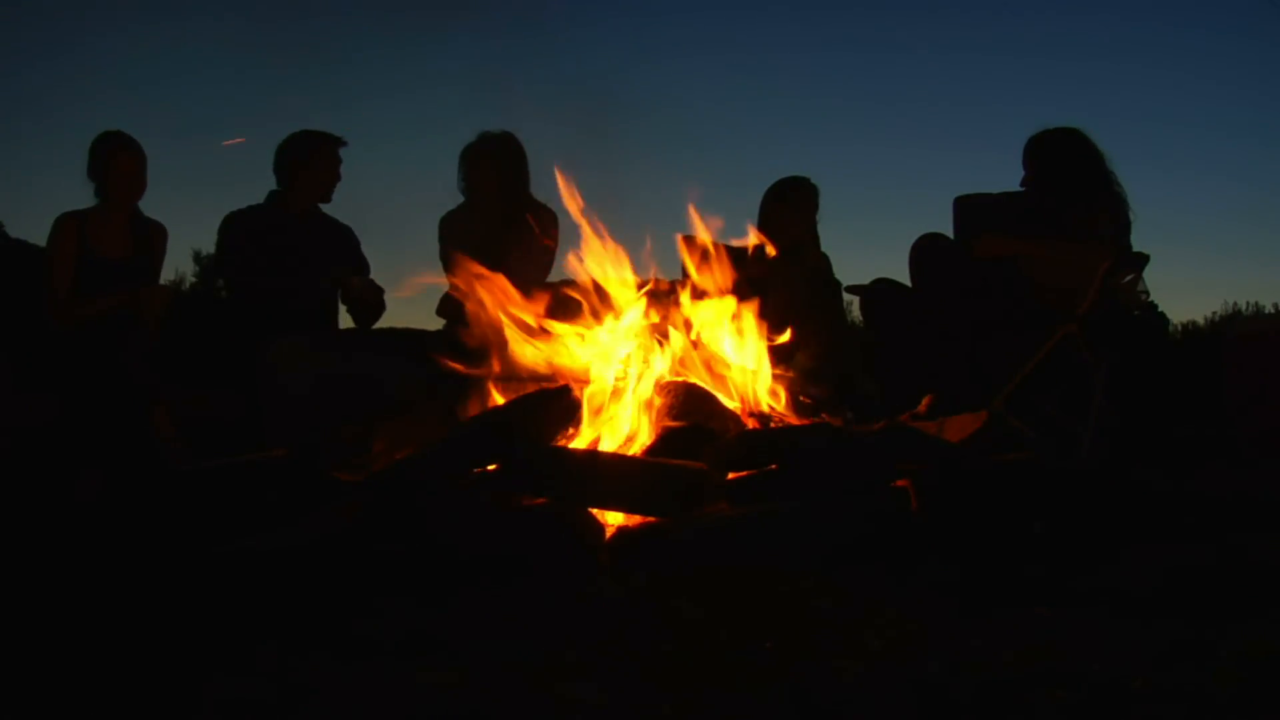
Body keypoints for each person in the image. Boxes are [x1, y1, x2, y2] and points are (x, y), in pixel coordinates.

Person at [857, 126, 1139, 415]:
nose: (1023, 182)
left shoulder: (1096, 230)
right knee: (882, 293)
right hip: (988, 326)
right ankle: (896, 411)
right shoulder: (1056, 230)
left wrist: (1009, 247)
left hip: (1016, 340)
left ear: (1060, 172)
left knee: (928, 253)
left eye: (1032, 172)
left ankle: (922, 409)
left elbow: (1090, 265)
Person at [44, 130, 175, 494]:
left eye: (138, 175)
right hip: (80, 364)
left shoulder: (153, 234)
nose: (132, 186)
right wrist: (129, 301)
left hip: (134, 365)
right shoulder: (72, 227)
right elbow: (58, 313)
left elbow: (146, 318)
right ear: (98, 176)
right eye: (121, 175)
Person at [216, 129, 385, 349]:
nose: (338, 177)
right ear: (304, 168)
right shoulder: (242, 225)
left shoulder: (339, 236)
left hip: (310, 365)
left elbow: (366, 317)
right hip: (257, 361)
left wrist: (367, 295)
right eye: (331, 167)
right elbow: (231, 295)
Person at [745, 176, 851, 411]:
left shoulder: (815, 266)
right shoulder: (753, 270)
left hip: (811, 385)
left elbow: (833, 338)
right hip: (769, 380)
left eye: (812, 214)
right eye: (804, 212)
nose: (811, 221)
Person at [436, 130, 559, 330]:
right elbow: (460, 276)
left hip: (525, 312)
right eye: (472, 170)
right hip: (471, 317)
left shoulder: (539, 219)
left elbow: (534, 274)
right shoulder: (454, 222)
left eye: (484, 169)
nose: (472, 177)